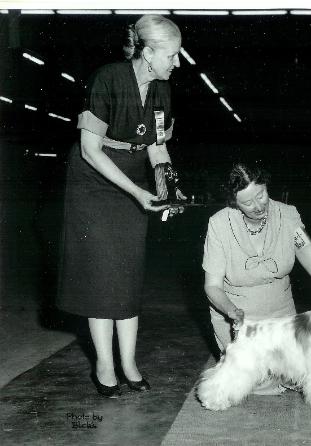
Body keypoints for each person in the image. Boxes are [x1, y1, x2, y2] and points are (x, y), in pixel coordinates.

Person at [57, 15, 184, 398]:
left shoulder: (162, 89)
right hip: (94, 182)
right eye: (172, 55)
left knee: (127, 273)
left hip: (132, 176)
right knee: (101, 275)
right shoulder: (107, 79)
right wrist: (136, 193)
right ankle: (105, 365)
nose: (177, 63)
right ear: (148, 53)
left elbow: (157, 148)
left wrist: (168, 190)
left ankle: (128, 363)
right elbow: (89, 149)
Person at [202, 163, 311, 395]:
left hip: (284, 322)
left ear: (266, 187)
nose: (258, 206)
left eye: (261, 195)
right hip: (239, 319)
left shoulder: (288, 215)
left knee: (299, 373)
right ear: (233, 202)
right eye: (247, 203)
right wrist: (232, 312)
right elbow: (212, 286)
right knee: (252, 381)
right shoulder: (219, 224)